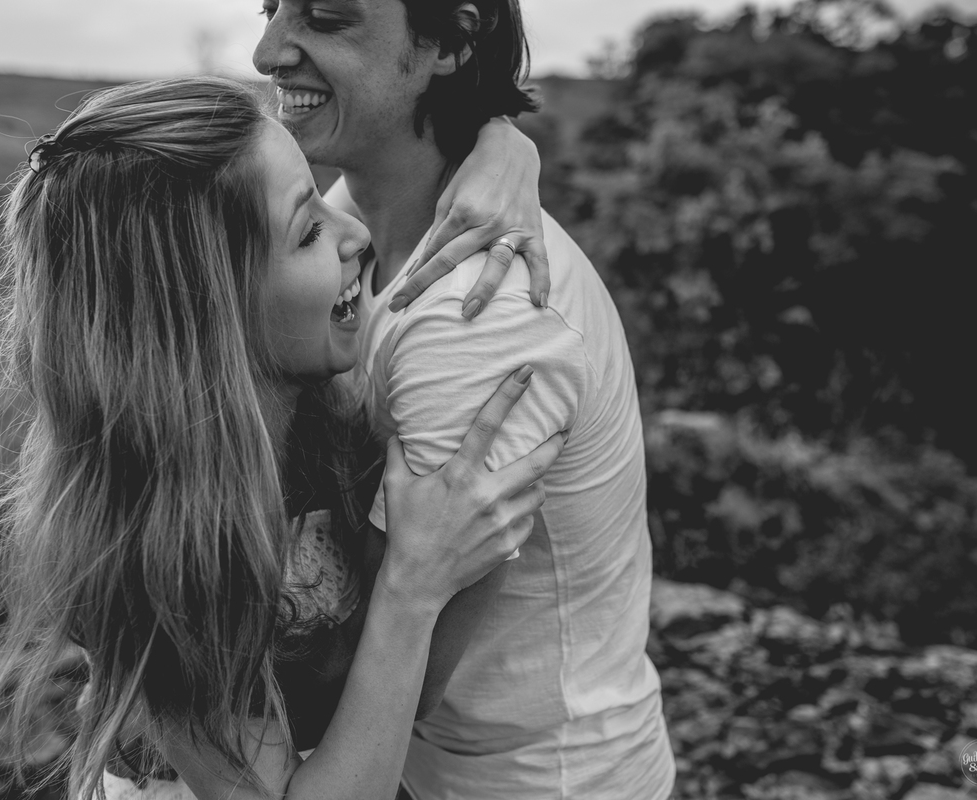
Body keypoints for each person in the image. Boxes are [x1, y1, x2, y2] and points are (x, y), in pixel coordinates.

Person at [0, 77, 567, 800]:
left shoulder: (316, 407)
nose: (357, 236)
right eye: (309, 231)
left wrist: (503, 150)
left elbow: (403, 698)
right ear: (204, 320)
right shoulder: (150, 548)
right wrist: (415, 585)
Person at [253, 0, 677, 797]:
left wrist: (162, 626)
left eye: (327, 18)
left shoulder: (478, 315)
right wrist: (500, 135)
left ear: (452, 39)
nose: (268, 49)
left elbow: (365, 686)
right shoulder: (346, 226)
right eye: (272, 9)